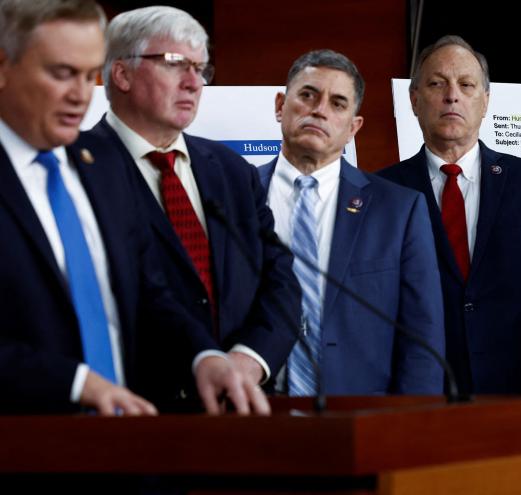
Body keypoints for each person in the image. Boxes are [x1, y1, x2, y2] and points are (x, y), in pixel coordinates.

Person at [0, 0, 257, 416]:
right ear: (3, 67)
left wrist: (203, 357)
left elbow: (149, 291)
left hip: (131, 444)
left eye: (88, 76)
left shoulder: (101, 167)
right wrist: (77, 383)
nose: (80, 95)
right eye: (62, 73)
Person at [85, 6, 301, 410]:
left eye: (201, 69)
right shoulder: (77, 167)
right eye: (175, 65)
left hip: (240, 407)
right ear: (122, 73)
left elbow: (281, 283)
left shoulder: (232, 172)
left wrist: (247, 361)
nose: (193, 83)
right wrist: (202, 358)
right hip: (132, 412)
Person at [378, 35, 521, 395]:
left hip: (520, 392)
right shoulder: (382, 191)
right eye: (437, 84)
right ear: (414, 100)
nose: (452, 95)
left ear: (485, 102)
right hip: (418, 396)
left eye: (466, 85)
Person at [258, 49, 444, 395]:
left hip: (361, 418)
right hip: (249, 413)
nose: (319, 110)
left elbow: (422, 338)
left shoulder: (398, 210)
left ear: (353, 128)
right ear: (280, 105)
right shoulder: (234, 195)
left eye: (338, 103)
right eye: (308, 95)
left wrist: (411, 424)